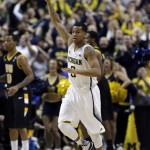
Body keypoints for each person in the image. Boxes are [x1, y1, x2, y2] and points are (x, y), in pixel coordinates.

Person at [45, 0, 105, 150]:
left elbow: (97, 72)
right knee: (62, 125)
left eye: (78, 32)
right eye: (73, 31)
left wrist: (76, 71)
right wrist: (50, 5)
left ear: (85, 34)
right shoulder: (69, 43)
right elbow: (57, 22)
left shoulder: (88, 50)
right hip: (73, 90)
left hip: (88, 93)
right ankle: (83, 144)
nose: (74, 34)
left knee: (94, 131)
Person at [0, 35, 34, 150]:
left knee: (21, 125)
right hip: (11, 94)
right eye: (5, 41)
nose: (5, 43)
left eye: (8, 40)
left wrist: (17, 87)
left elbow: (30, 76)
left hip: (22, 93)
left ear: (15, 42)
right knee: (11, 126)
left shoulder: (20, 58)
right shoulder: (5, 57)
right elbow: (9, 76)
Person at [85, 31, 114, 150]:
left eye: (87, 37)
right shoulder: (91, 50)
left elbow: (101, 72)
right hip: (95, 84)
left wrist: (93, 85)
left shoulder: (95, 51)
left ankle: (110, 145)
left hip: (99, 84)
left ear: (93, 39)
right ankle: (94, 143)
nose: (85, 39)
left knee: (103, 116)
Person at [41, 59, 66, 150]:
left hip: (57, 106)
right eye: (50, 63)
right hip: (47, 105)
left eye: (54, 64)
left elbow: (67, 93)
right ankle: (48, 147)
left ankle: (58, 147)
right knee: (47, 130)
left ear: (57, 66)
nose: (51, 65)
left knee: (54, 130)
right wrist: (42, 95)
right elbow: (40, 91)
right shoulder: (44, 78)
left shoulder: (62, 79)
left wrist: (61, 96)